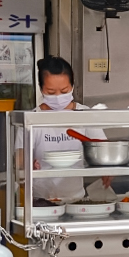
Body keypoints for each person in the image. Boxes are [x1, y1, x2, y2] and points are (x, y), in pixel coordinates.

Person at [20, 56, 107, 202]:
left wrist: (106, 168)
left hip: (76, 198)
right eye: (51, 92)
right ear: (41, 89)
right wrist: (26, 163)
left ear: (72, 86)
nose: (58, 97)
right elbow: (19, 158)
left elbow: (103, 150)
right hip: (39, 200)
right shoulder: (31, 118)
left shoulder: (85, 115)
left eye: (64, 90)